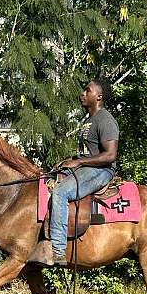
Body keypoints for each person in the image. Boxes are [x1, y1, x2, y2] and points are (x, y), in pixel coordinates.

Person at [49, 77, 119, 265]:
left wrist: (79, 163)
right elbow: (88, 152)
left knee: (60, 193)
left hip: (101, 171)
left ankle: (57, 250)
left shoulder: (105, 120)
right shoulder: (89, 120)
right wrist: (69, 161)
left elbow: (110, 155)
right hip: (87, 167)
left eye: (87, 90)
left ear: (99, 97)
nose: (83, 93)